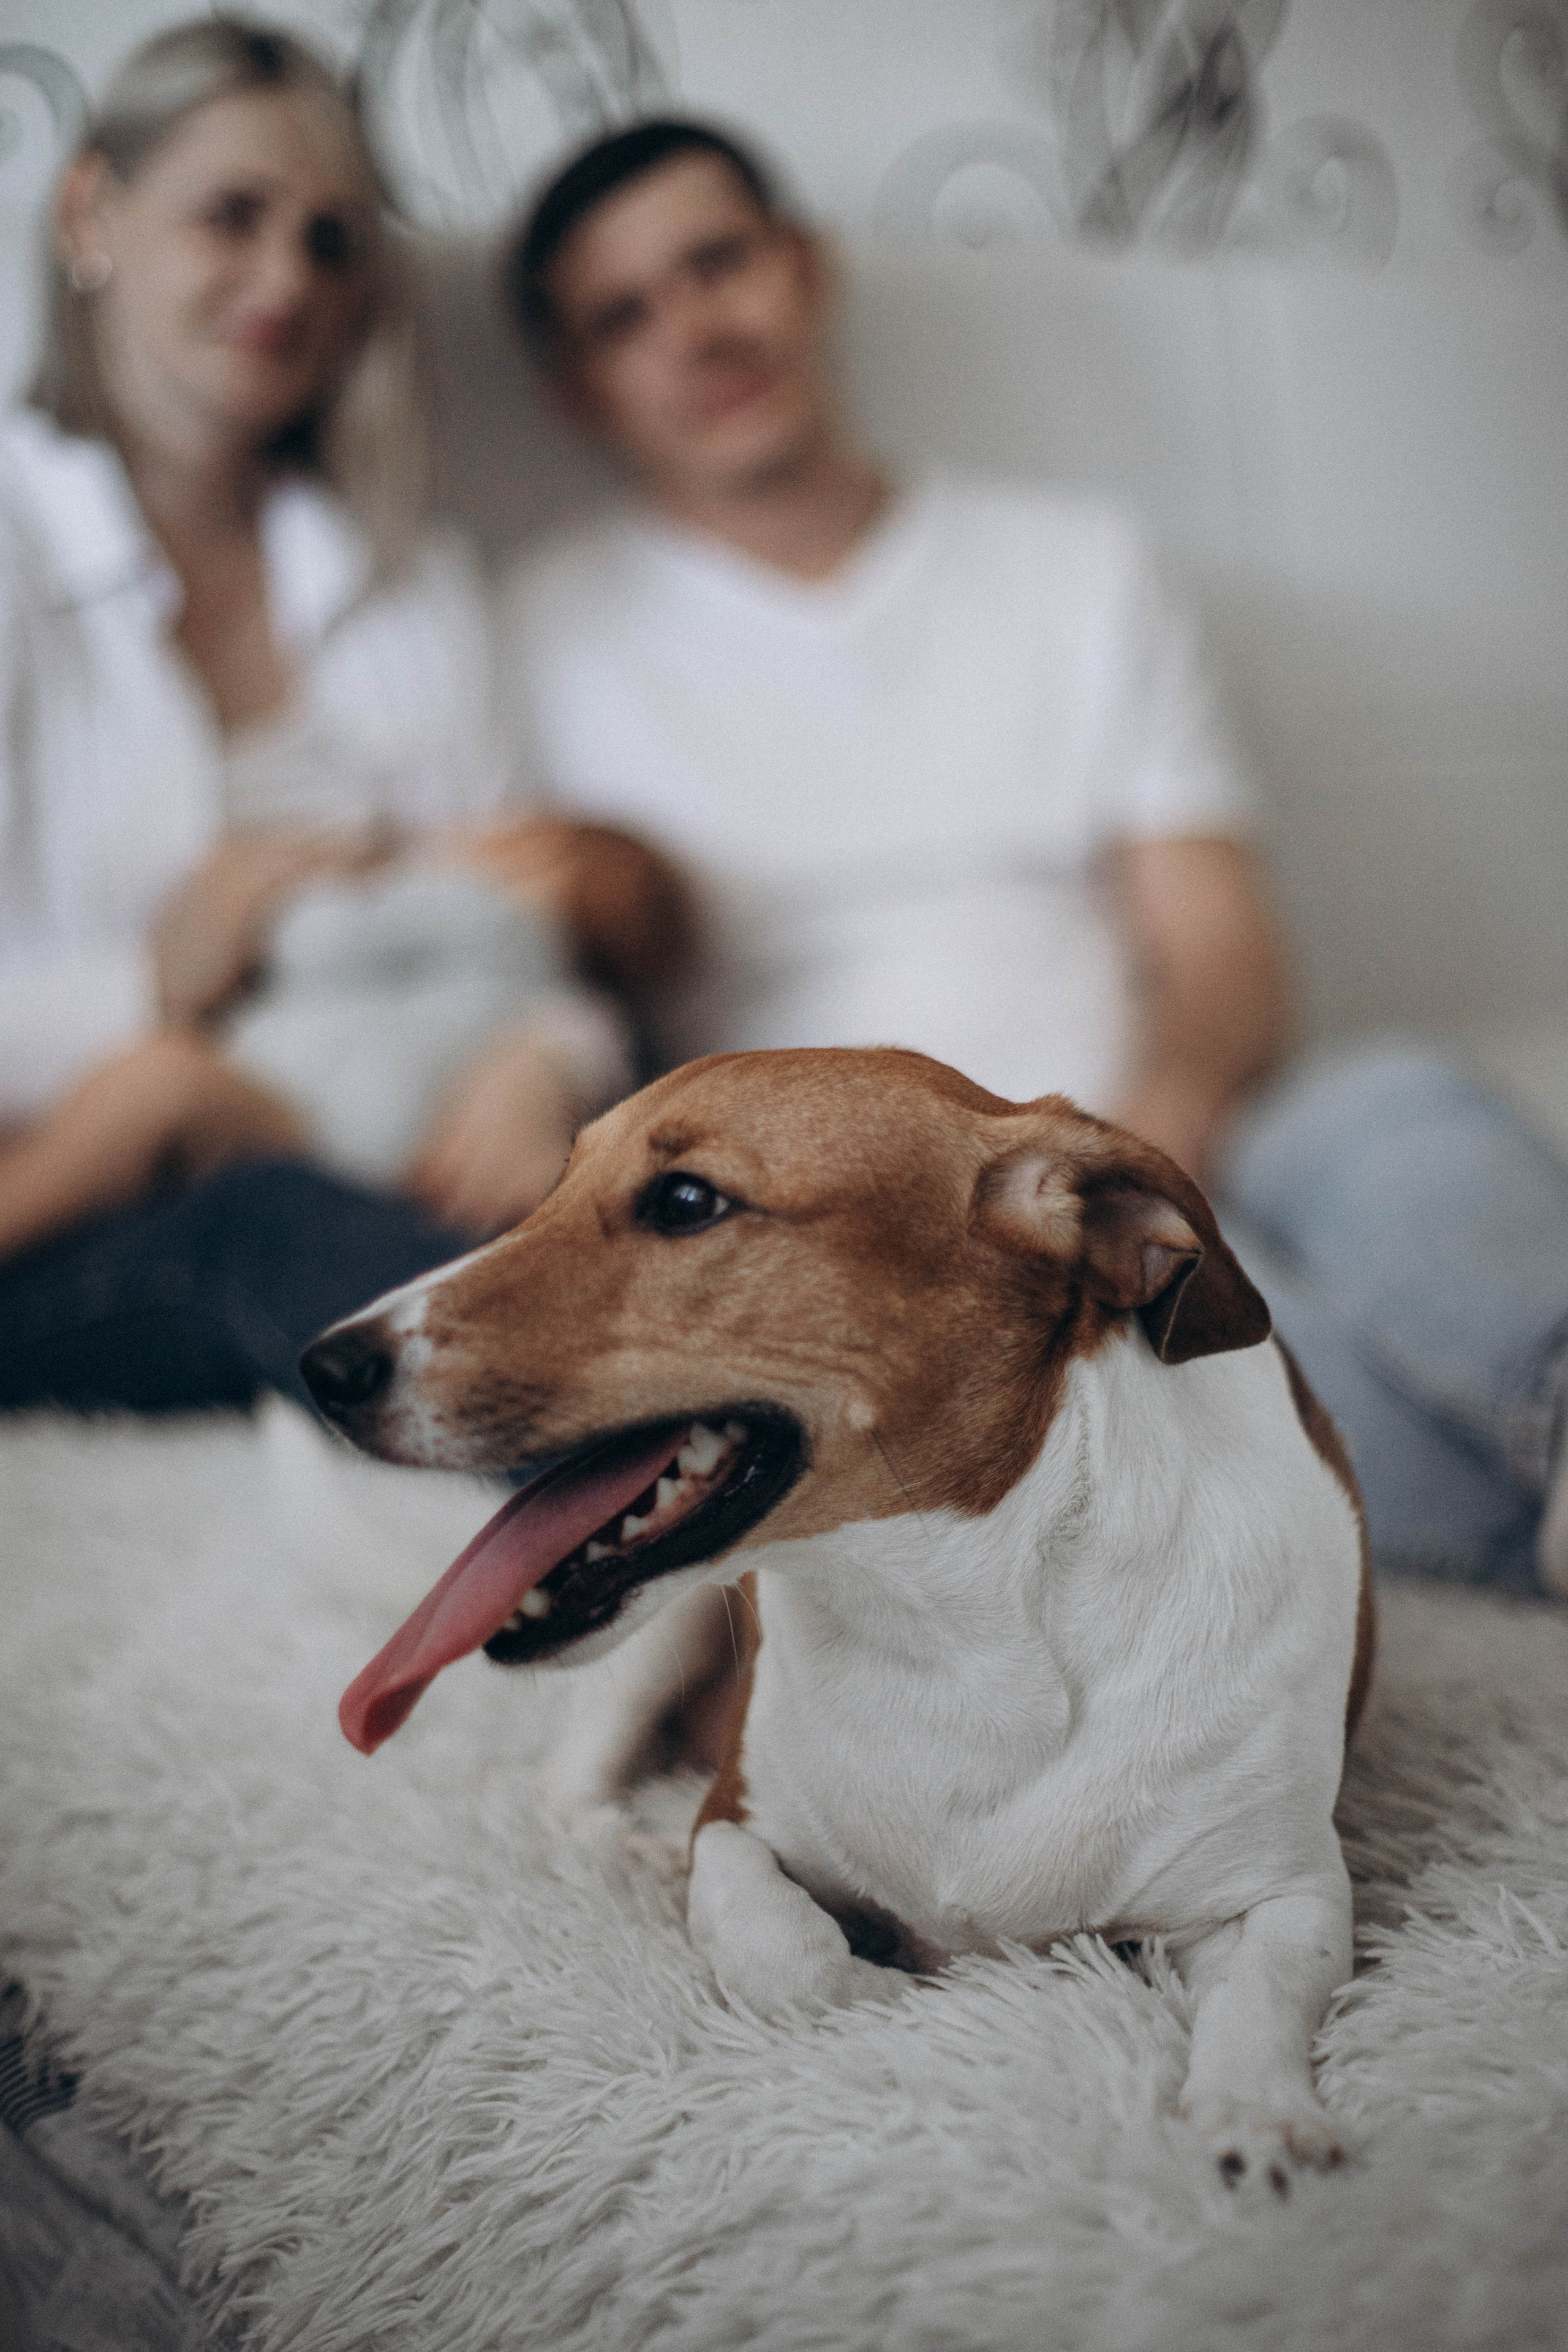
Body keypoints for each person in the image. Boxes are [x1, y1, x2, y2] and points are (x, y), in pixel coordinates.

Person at [496, 117, 1568, 1596]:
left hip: (1170, 1136)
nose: (693, 329)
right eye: (624, 315)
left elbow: (1219, 943)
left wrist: (1154, 1138)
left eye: (716, 263)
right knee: (1297, 1410)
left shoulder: (1072, 565)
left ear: (799, 269)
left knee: (1391, 1107)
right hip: (899, 1253)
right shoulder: (535, 639)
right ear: (574, 386)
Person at [0, 20, 679, 1414]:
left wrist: (537, 1062)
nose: (285, 279)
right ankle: (615, 1424)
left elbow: (527, 921)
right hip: (97, 1199)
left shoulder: (411, 583)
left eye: (330, 239)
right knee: (269, 1222)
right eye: (231, 217)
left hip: (394, 1145)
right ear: (90, 212)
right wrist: (161, 998)